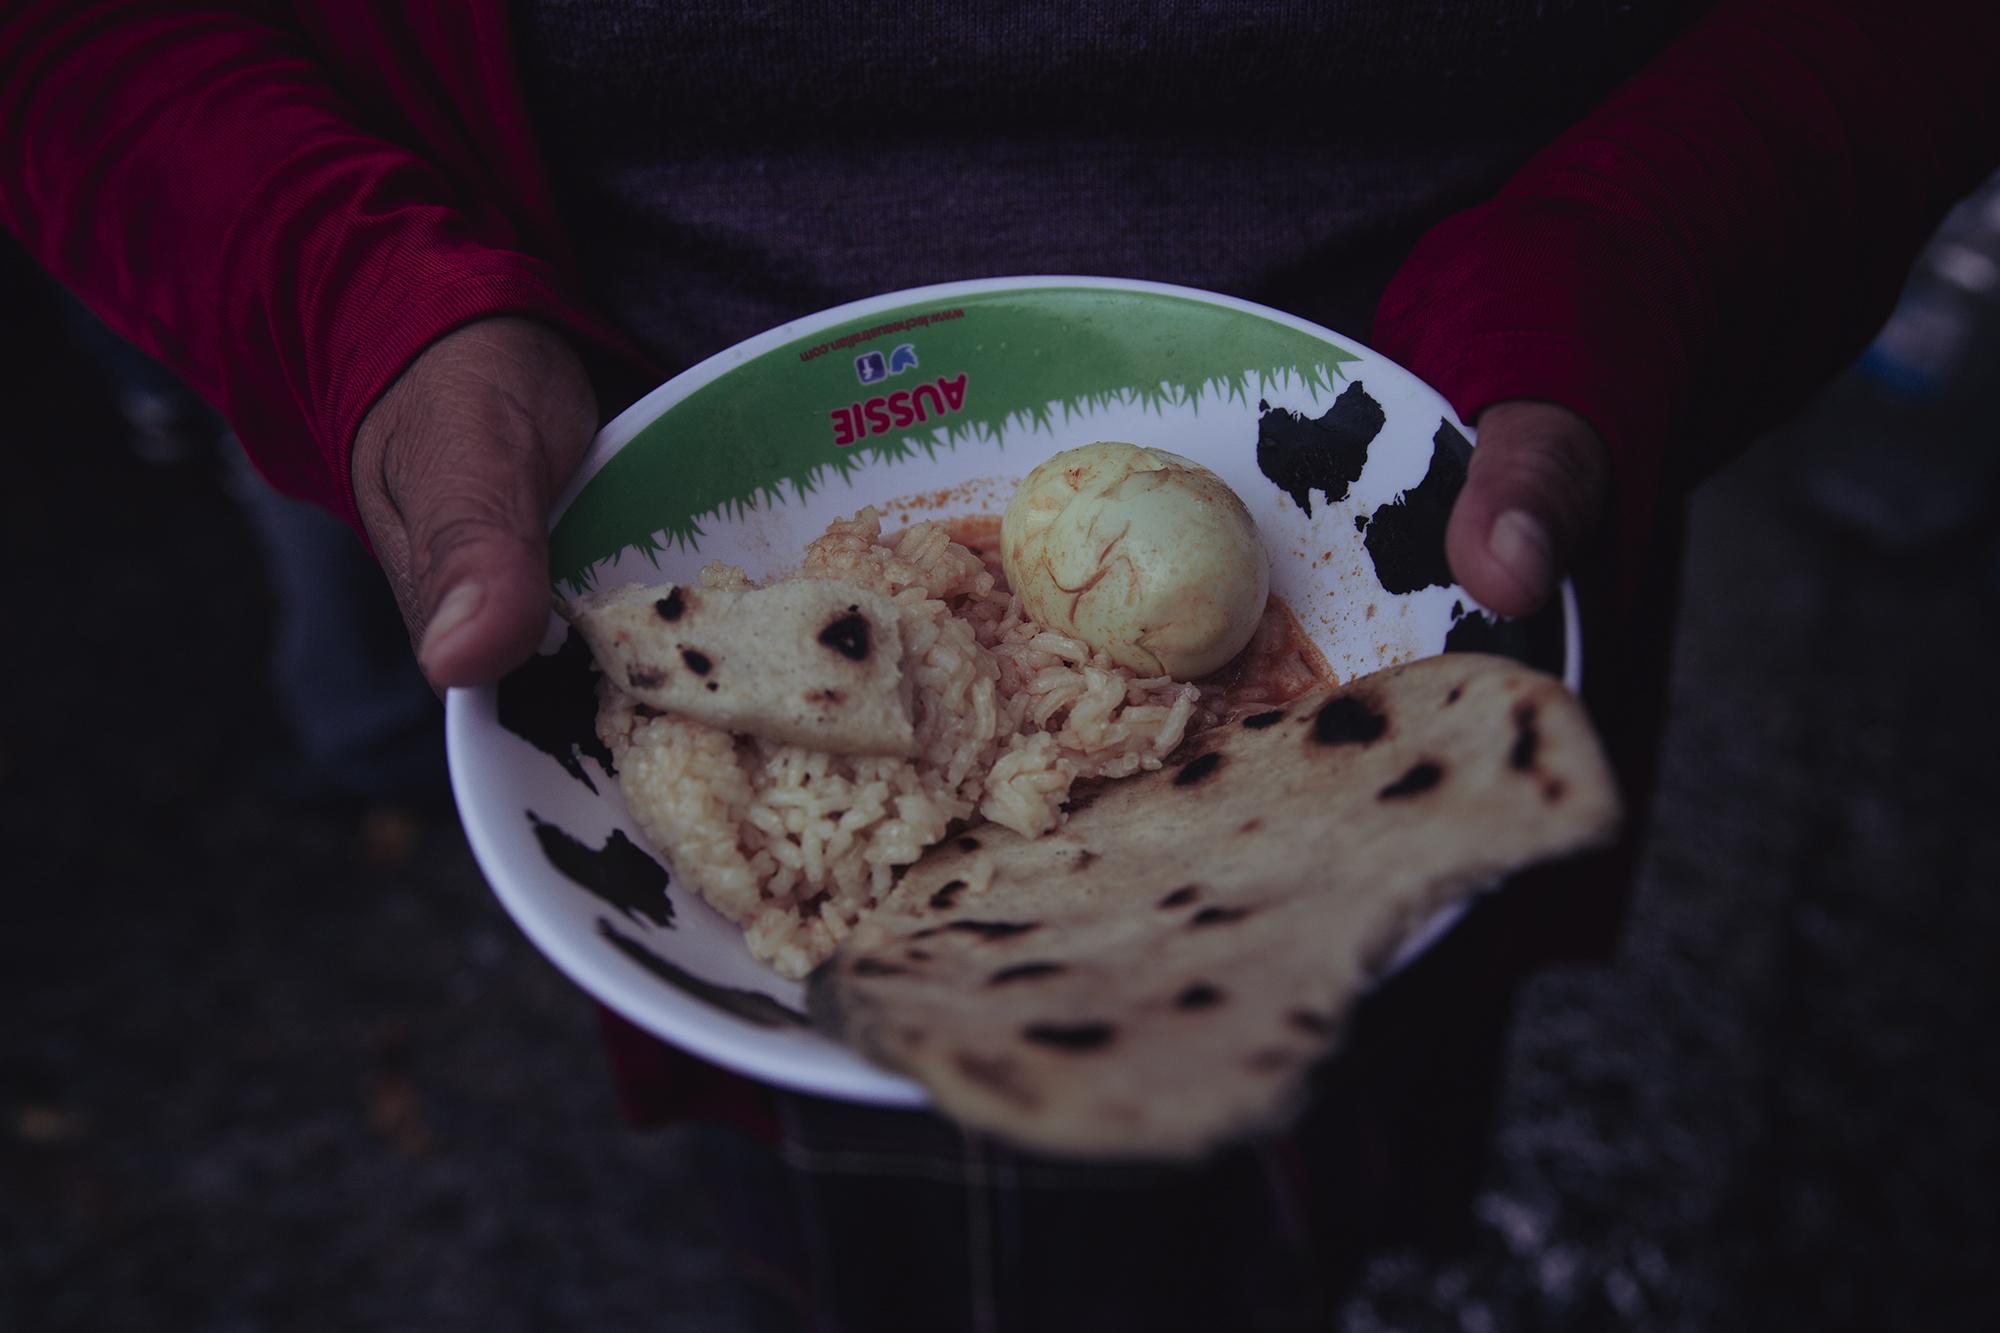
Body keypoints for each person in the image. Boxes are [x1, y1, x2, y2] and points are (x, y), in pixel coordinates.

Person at [6, 2, 1994, 1328]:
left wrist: (1647, 255)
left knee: (1353, 1152)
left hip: (1431, 584)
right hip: (685, 585)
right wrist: (358, 294)